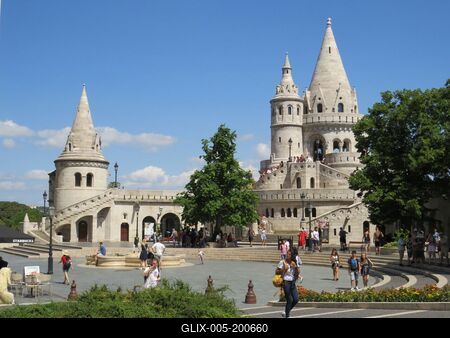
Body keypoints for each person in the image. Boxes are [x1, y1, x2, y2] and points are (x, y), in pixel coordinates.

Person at [276, 250, 300, 318]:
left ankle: (286, 312)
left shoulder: (293, 263)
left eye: (289, 254)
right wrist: (283, 269)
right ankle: (287, 316)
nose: (287, 255)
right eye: (287, 254)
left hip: (292, 282)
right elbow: (276, 272)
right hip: (286, 282)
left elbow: (297, 273)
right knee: (289, 300)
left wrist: (295, 267)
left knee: (296, 299)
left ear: (292, 256)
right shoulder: (282, 262)